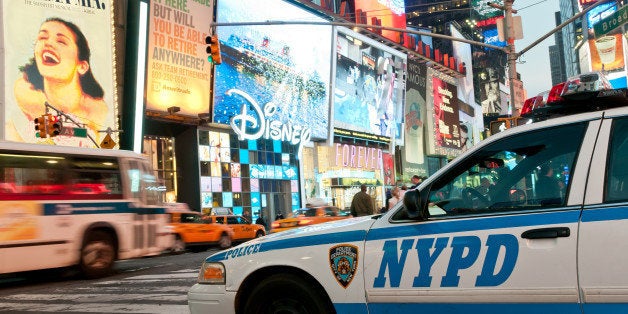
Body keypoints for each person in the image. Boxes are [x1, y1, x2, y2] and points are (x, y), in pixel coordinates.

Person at [13, 17, 108, 143]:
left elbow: (107, 146)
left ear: (82, 66)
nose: (48, 43)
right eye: (42, 37)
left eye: (61, 41)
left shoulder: (100, 114)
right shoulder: (23, 99)